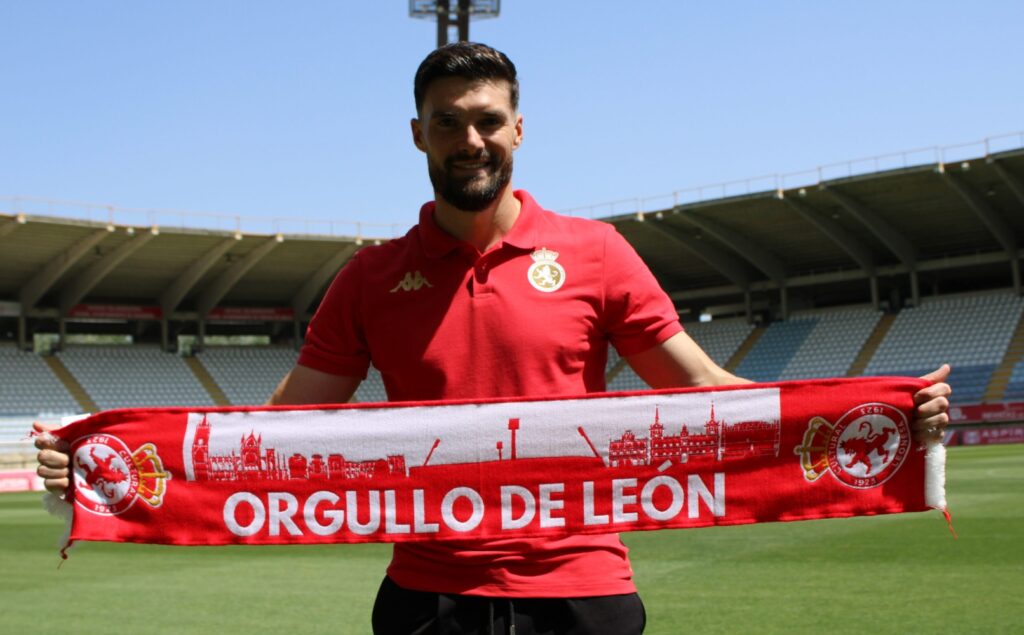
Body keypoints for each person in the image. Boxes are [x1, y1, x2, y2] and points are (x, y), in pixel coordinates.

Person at [36, 42, 952, 635]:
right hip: (429, 596)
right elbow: (282, 427)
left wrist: (876, 412)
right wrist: (106, 457)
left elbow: (708, 385)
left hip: (584, 588)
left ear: (518, 128)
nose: (468, 138)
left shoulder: (595, 253)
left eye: (486, 120)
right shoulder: (369, 276)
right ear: (418, 136)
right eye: (447, 123)